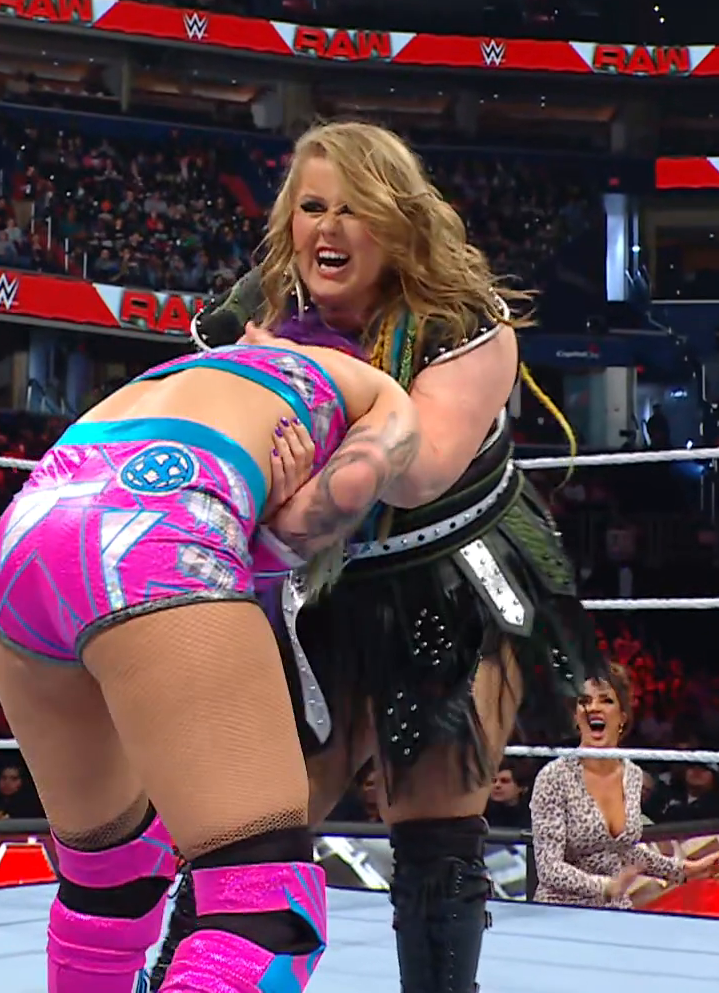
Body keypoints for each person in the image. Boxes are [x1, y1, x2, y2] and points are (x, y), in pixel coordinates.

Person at [163, 120, 606, 991]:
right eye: (311, 208)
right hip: (310, 589)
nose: (328, 229)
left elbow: (418, 469)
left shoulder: (463, 324)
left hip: (446, 576)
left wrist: (296, 414)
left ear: (399, 220)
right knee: (252, 823)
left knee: (435, 825)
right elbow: (215, 448)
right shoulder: (255, 312)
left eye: (354, 209)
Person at [0, 339, 420, 993]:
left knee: (109, 880)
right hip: (159, 527)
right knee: (262, 909)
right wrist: (297, 521)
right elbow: (372, 484)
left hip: (35, 522)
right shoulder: (376, 390)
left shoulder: (199, 367)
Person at [529, 672, 719, 908]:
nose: (594, 708)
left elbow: (624, 852)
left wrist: (685, 870)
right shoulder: (553, 777)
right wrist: (606, 887)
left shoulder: (632, 775)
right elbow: (549, 867)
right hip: (563, 911)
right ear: (576, 717)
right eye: (585, 702)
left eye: (606, 700)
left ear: (622, 717)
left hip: (616, 911)